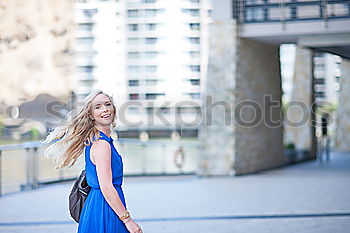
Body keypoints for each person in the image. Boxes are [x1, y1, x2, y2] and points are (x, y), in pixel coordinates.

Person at [43, 90, 143, 233]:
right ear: (90, 115)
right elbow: (106, 187)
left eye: (108, 104)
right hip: (105, 208)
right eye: (98, 107)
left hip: (100, 205)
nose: (105, 109)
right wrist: (128, 220)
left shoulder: (97, 140)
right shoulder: (102, 144)